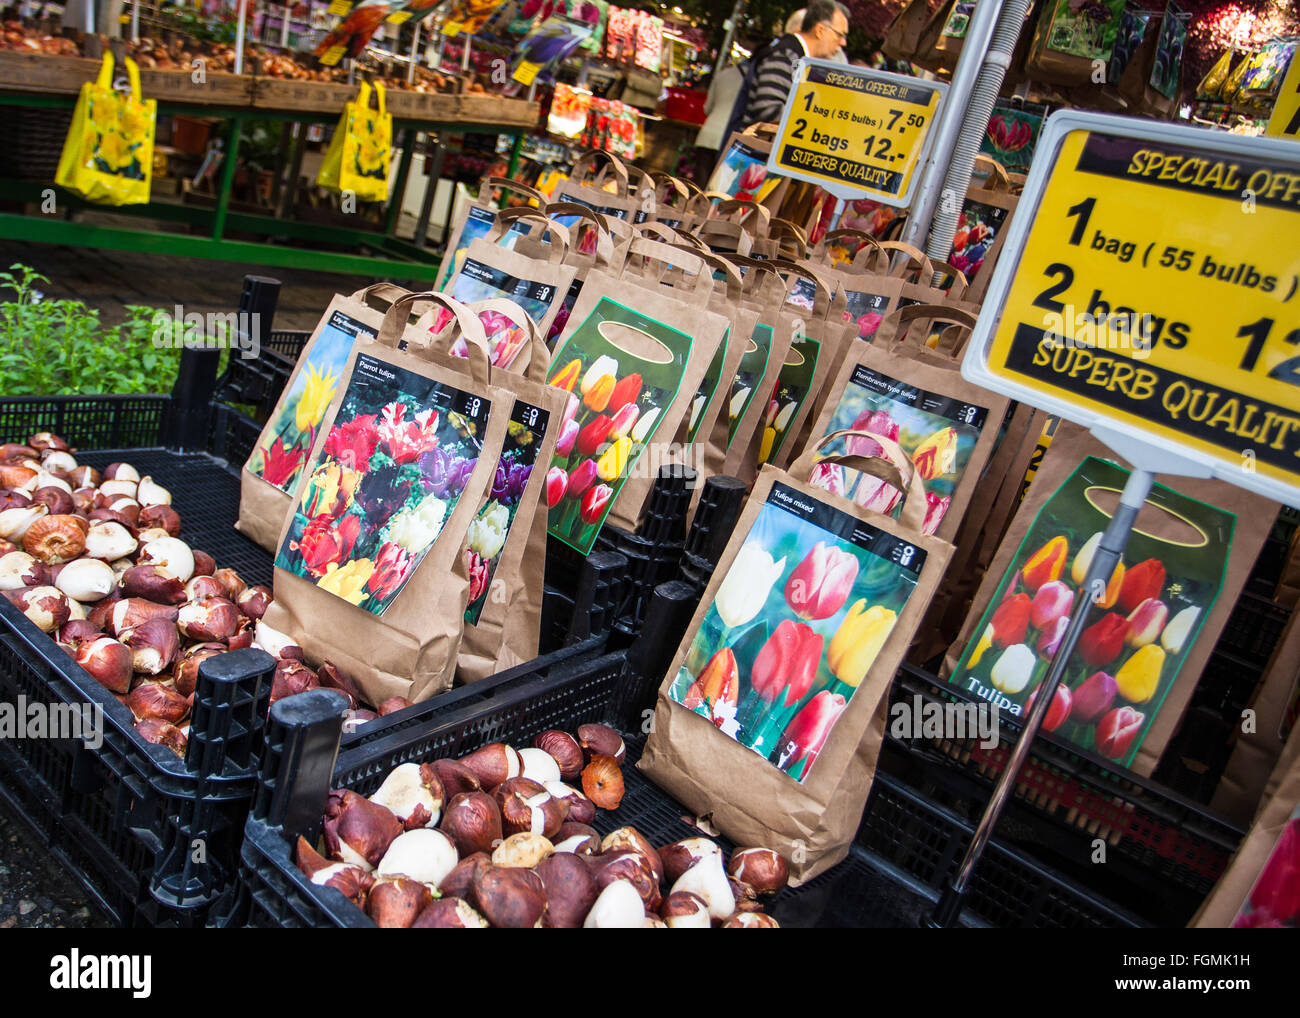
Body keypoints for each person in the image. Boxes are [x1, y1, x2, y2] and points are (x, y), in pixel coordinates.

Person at [731, 1, 851, 133]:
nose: (843, 43)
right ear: (820, 31)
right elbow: (768, 109)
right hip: (757, 150)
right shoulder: (787, 56)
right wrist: (813, 128)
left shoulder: (794, 57)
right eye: (840, 34)